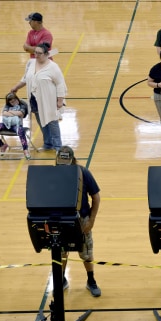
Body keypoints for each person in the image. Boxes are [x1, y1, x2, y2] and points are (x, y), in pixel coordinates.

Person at [55, 146, 102, 297]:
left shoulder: (83, 172)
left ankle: (91, 280)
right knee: (61, 251)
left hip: (81, 219)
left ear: (72, 160)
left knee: (86, 252)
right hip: (61, 219)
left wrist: (92, 220)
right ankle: (61, 280)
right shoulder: (53, 174)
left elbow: (96, 197)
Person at [11, 42, 66, 151]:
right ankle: (48, 143)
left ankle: (58, 147)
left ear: (46, 54)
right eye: (35, 52)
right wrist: (16, 87)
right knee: (41, 122)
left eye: (39, 53)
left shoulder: (53, 67)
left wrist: (60, 100)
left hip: (48, 100)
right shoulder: (31, 63)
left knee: (52, 122)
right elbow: (25, 78)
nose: (36, 55)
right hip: (34, 99)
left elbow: (60, 84)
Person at [0, 93, 31, 159]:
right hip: (5, 124)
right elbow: (4, 113)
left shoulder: (22, 105)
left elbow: (21, 114)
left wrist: (10, 112)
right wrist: (15, 113)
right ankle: (2, 145)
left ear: (17, 99)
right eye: (11, 102)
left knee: (21, 131)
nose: (13, 103)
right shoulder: (7, 105)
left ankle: (25, 150)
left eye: (14, 101)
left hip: (16, 125)